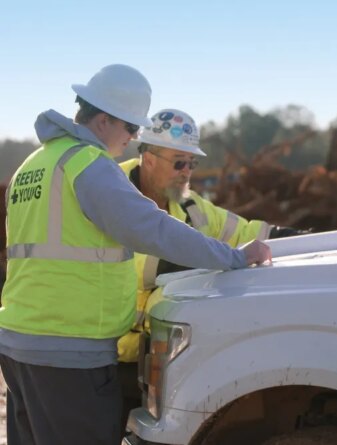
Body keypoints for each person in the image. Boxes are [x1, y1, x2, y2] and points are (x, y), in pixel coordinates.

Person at [0, 64, 271, 445]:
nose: (131, 139)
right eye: (130, 128)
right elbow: (154, 228)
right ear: (104, 119)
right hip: (68, 349)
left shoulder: (34, 164)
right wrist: (235, 258)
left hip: (19, 342)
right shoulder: (88, 165)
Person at [115, 108, 304, 425]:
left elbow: (243, 232)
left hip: (161, 355)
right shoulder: (112, 192)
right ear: (149, 158)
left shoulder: (188, 205)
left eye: (192, 163)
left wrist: (300, 239)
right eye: (179, 162)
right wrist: (214, 256)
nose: (186, 172)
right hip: (111, 355)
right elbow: (138, 264)